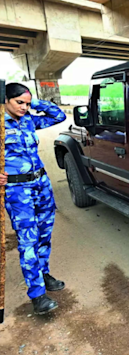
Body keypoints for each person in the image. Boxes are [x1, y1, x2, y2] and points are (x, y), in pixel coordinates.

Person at [0, 83, 66, 315]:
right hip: (18, 190)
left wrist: (32, 102)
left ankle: (43, 273)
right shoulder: (0, 125)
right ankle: (37, 295)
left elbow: (58, 115)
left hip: (41, 184)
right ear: (5, 100)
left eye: (27, 103)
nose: (24, 107)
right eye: (19, 102)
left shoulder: (28, 119)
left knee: (45, 233)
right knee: (28, 239)